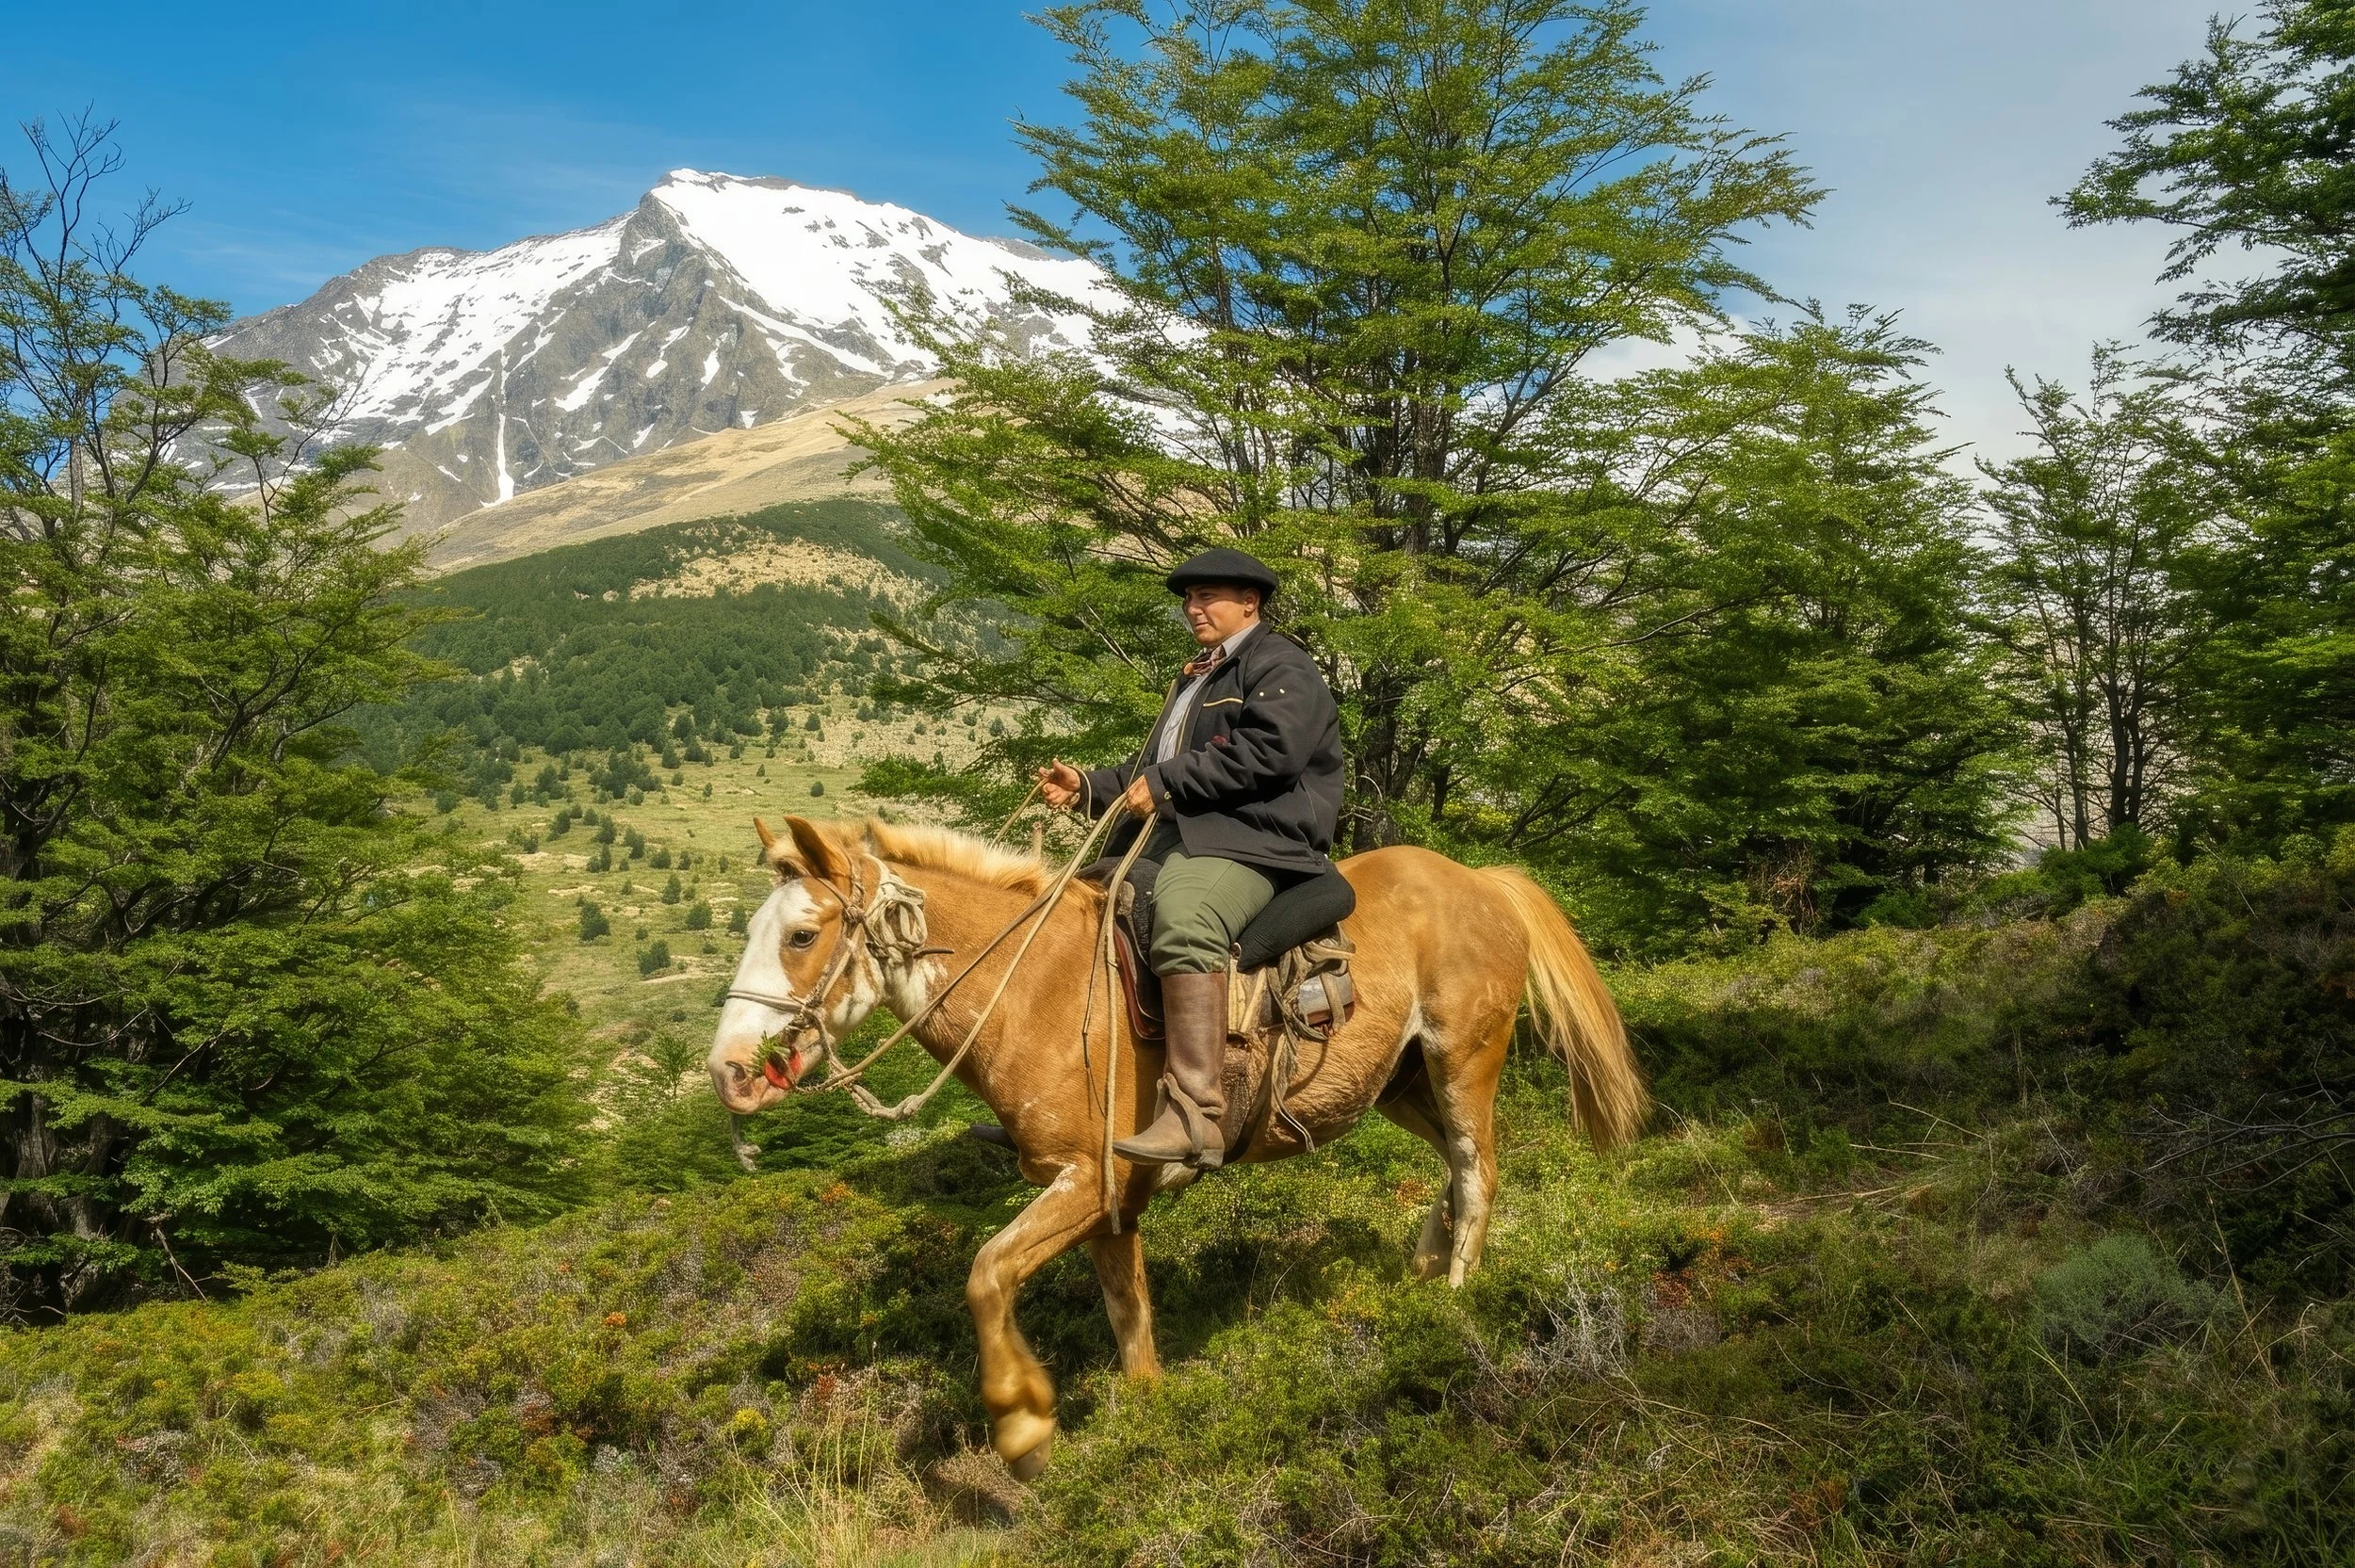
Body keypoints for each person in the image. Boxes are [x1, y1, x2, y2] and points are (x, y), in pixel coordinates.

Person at [1035, 546, 1344, 1170]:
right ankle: (1061, 1106)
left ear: (1248, 603)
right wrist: (1089, 788)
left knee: (1185, 918)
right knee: (1074, 912)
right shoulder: (1197, 677)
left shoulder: (1284, 667)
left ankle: (1194, 1114)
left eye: (1207, 597)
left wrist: (1170, 782)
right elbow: (1150, 768)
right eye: (1188, 598)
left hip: (1258, 839)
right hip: (1192, 833)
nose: (1192, 607)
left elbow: (1270, 755)